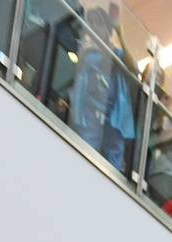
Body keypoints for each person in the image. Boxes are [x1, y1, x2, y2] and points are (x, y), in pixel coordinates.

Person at [68, 5, 137, 174]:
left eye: (98, 24)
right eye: (91, 24)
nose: (94, 28)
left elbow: (134, 68)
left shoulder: (117, 54)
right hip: (90, 117)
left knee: (111, 168)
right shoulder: (88, 54)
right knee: (83, 159)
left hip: (113, 119)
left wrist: (120, 34)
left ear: (108, 30)